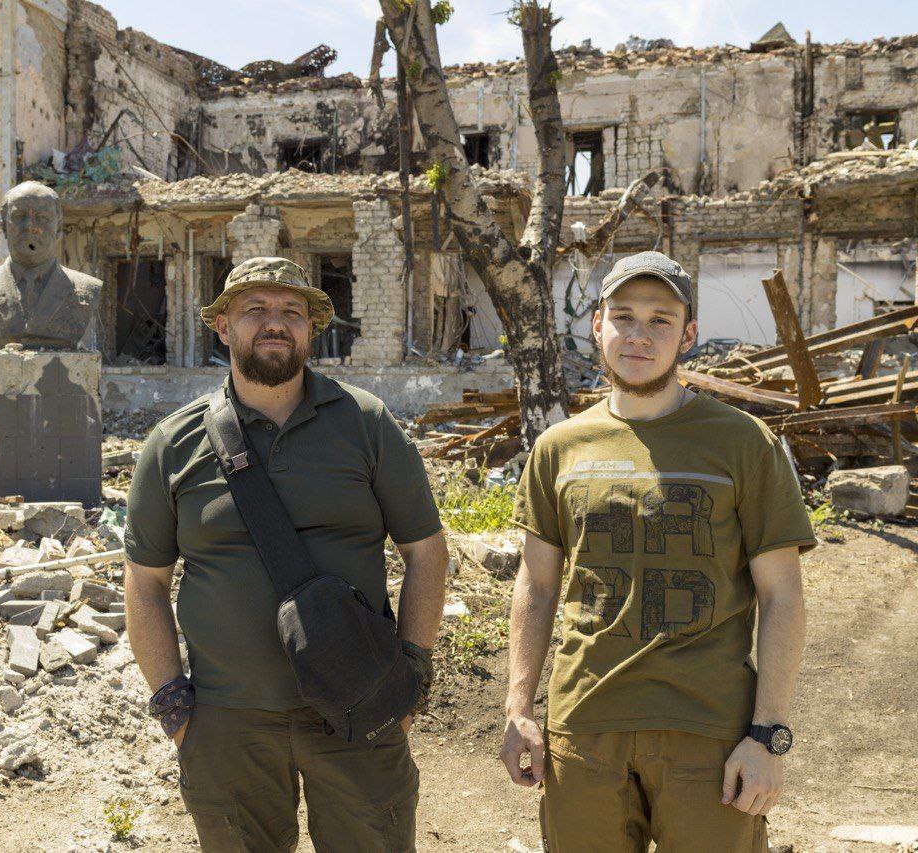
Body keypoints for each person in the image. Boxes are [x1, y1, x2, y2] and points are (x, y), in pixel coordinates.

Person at [124, 257, 450, 852]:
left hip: (361, 712)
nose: (275, 324)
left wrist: (414, 673)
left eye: (291, 313)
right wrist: (174, 704)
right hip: (228, 723)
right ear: (223, 326)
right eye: (256, 310)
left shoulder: (366, 423)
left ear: (310, 329)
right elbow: (145, 583)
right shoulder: (173, 444)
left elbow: (426, 551)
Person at [500, 251, 816, 851]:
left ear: (688, 334)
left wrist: (768, 734)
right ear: (597, 325)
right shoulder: (560, 447)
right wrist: (519, 707)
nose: (638, 336)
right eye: (623, 316)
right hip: (584, 730)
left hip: (709, 735)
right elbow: (536, 586)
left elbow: (783, 595)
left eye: (660, 320)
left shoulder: (743, 443)